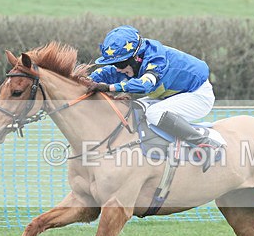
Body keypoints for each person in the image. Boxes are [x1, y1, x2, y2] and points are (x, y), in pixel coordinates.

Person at [86, 25, 222, 149]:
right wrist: (84, 80)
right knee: (134, 109)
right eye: (116, 65)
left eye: (120, 65)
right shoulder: (134, 61)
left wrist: (109, 88)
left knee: (154, 113)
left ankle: (206, 144)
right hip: (174, 96)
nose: (119, 70)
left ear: (136, 58)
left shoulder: (157, 60)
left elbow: (144, 85)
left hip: (198, 95)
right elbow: (106, 73)